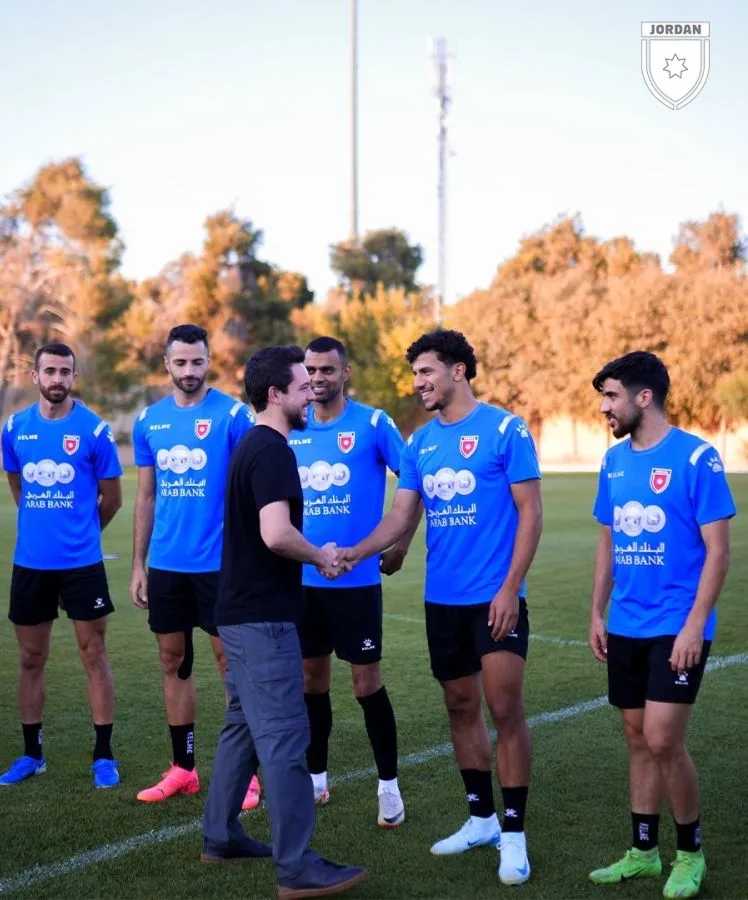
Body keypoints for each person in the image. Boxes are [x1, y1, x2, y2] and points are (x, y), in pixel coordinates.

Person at [341, 328, 543, 886]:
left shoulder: (505, 429)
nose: (418, 383)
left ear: (458, 371)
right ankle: (481, 819)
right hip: (443, 601)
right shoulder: (420, 443)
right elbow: (400, 516)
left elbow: (531, 512)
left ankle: (514, 834)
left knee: (505, 709)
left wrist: (511, 587)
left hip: (495, 599)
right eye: (415, 374)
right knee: (460, 706)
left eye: (426, 371)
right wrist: (355, 552)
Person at [201, 344, 367, 899]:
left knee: (242, 726)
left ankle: (221, 834)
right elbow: (275, 533)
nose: (310, 395)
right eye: (301, 387)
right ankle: (296, 867)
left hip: (239, 614)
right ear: (275, 394)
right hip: (262, 621)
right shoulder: (271, 450)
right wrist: (321, 556)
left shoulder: (252, 445)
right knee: (285, 738)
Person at [587, 351, 735, 899]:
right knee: (637, 738)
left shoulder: (697, 458)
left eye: (611, 396)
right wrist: (597, 611)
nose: (605, 407)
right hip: (626, 621)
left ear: (643, 397)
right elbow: (608, 540)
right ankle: (644, 851)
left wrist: (695, 625)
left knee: (663, 738)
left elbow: (718, 551)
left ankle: (690, 854)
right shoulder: (613, 461)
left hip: (677, 623)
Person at [129, 323, 260, 810]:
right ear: (167, 364)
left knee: (231, 665)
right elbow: (146, 496)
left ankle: (246, 772)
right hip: (167, 565)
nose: (189, 370)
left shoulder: (234, 416)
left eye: (197, 361)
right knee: (173, 661)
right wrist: (139, 564)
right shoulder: (149, 420)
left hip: (220, 566)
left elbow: (254, 486)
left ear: (209, 361)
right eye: (180, 362)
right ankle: (184, 768)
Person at [291, 335, 420, 827]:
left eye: (327, 369)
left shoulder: (372, 423)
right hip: (304, 582)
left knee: (367, 684)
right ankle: (316, 778)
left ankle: (388, 786)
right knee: (311, 681)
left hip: (357, 583)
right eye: (310, 370)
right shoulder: (293, 425)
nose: (318, 378)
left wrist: (400, 546)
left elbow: (414, 483)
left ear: (345, 373)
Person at [0, 342, 124, 790]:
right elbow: (18, 486)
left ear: (73, 377)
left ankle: (103, 755)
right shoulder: (14, 427)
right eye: (49, 371)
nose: (57, 379)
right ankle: (32, 754)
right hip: (31, 563)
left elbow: (113, 499)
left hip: (82, 564)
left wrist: (83, 533)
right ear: (35, 376)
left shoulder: (94, 430)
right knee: (31, 658)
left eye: (65, 371)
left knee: (94, 654)